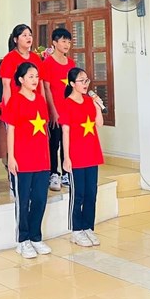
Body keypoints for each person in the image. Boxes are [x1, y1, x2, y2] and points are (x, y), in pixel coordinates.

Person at [4, 61, 51, 259]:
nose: (35, 80)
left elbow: (45, 129)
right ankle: (23, 240)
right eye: (31, 76)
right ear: (21, 79)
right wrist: (11, 157)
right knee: (23, 201)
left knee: (40, 199)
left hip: (42, 159)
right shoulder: (15, 101)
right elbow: (11, 131)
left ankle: (35, 237)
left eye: (37, 76)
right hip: (22, 159)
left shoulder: (40, 99)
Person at [60, 67, 104, 248]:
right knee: (78, 194)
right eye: (81, 80)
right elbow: (65, 132)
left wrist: (97, 106)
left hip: (92, 153)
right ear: (72, 83)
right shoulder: (67, 104)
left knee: (91, 193)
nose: (86, 84)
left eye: (87, 80)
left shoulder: (89, 101)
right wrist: (66, 158)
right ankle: (76, 230)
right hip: (76, 155)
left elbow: (99, 123)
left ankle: (88, 227)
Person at [0, 24, 38, 198]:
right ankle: (14, 179)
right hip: (16, 109)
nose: (28, 38)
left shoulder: (35, 58)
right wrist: (8, 112)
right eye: (24, 35)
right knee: (14, 145)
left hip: (34, 110)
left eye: (30, 34)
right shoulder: (9, 59)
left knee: (32, 144)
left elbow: (40, 86)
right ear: (15, 39)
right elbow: (6, 88)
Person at [41, 28, 75, 192]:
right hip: (54, 110)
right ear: (54, 43)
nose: (66, 44)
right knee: (54, 143)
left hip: (68, 111)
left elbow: (73, 88)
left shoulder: (71, 63)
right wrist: (53, 111)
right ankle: (53, 173)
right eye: (63, 41)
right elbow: (46, 88)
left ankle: (66, 172)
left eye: (68, 41)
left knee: (67, 142)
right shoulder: (47, 63)